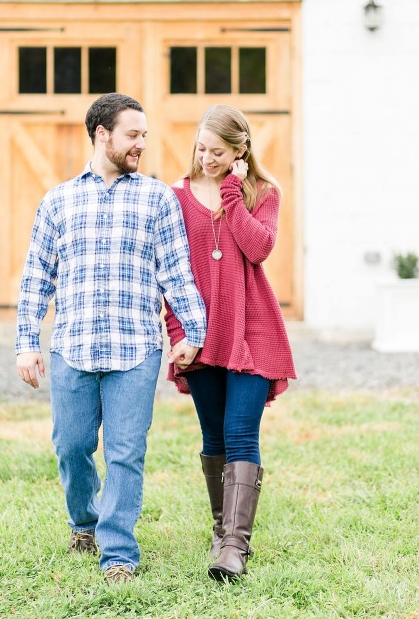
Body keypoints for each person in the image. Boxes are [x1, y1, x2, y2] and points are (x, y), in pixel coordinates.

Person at [14, 92, 207, 583]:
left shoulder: (158, 197)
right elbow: (37, 276)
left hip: (136, 347)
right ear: (103, 134)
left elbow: (178, 274)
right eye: (133, 135)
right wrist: (26, 342)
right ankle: (84, 521)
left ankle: (118, 552)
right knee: (71, 446)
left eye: (144, 134)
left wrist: (194, 330)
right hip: (72, 348)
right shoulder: (58, 200)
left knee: (125, 451)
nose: (142, 143)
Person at [163, 104, 296, 581]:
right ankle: (223, 531)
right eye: (201, 148)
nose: (206, 158)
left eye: (217, 152)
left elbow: (258, 248)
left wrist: (233, 193)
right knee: (213, 436)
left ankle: (235, 547)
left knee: (241, 432)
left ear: (241, 150)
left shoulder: (263, 192)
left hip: (252, 327)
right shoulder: (174, 196)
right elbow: (170, 275)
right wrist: (179, 334)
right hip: (199, 334)